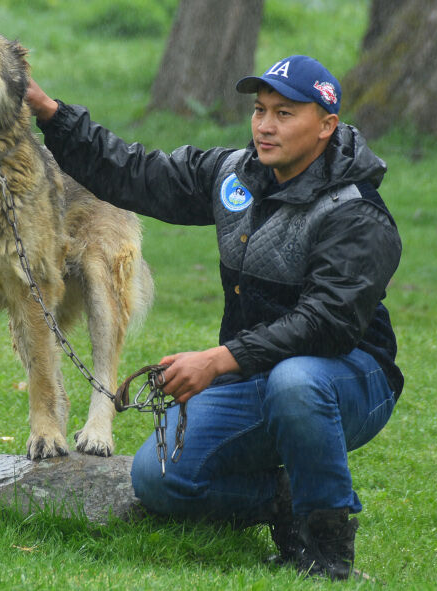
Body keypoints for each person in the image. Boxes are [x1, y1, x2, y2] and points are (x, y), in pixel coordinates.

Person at [26, 54, 403, 580]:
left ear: (326, 126)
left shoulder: (356, 212)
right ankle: (282, 497)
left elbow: (329, 323)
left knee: (296, 383)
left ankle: (325, 554)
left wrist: (220, 360)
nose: (266, 125)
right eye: (260, 109)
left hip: (349, 378)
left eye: (285, 113)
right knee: (157, 478)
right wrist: (49, 111)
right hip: (255, 373)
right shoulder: (233, 174)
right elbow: (133, 173)